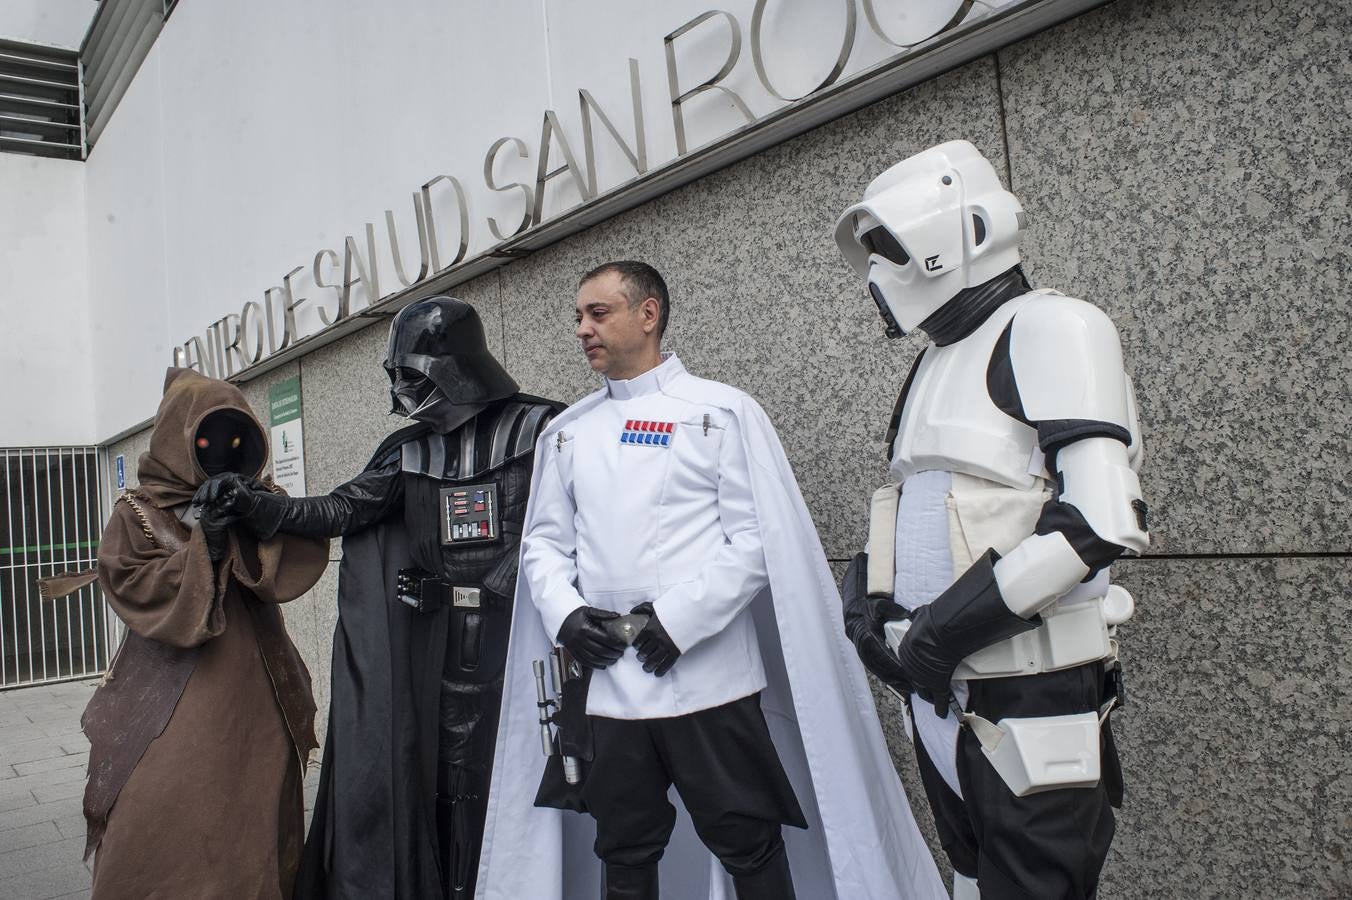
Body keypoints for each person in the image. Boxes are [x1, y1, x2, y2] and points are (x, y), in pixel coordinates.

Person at [476, 261, 947, 900]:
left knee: (748, 842)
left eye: (598, 313)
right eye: (579, 317)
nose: (583, 329)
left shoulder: (722, 412)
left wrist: (680, 620)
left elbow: (759, 539)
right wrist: (566, 616)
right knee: (624, 845)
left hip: (709, 680)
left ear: (648, 315)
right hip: (610, 685)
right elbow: (544, 545)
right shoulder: (567, 434)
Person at [834, 140, 1149, 899]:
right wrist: (867, 605)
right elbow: (914, 502)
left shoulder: (1055, 328)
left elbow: (1099, 520)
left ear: (959, 236)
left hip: (1027, 697)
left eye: (890, 246)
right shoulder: (937, 358)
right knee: (969, 883)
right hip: (940, 699)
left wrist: (940, 636)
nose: (877, 272)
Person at [203, 297, 561, 899]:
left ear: (454, 366)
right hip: (442, 649)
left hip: (527, 641)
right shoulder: (409, 449)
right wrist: (255, 503)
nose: (401, 389)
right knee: (449, 781)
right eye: (396, 376)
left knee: (524, 778)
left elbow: (575, 524)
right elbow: (344, 507)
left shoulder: (546, 429)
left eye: (411, 374)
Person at [82, 367, 328, 899]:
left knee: (254, 809)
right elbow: (127, 582)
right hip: (165, 688)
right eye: (206, 438)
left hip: (256, 690)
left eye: (234, 438)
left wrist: (257, 516)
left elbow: (292, 564)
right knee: (155, 805)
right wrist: (205, 547)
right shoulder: (137, 511)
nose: (220, 450)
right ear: (178, 436)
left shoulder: (260, 497)